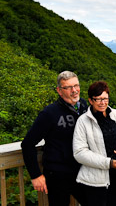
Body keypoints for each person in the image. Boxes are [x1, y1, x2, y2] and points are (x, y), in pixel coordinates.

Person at [21, 71, 88, 205]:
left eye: (76, 85)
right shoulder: (49, 113)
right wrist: (35, 175)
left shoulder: (84, 106)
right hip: (58, 174)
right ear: (59, 90)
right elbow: (27, 144)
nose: (74, 90)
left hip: (82, 171)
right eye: (68, 87)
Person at [72, 81, 116, 206]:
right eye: (98, 99)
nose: (102, 102)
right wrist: (108, 163)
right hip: (94, 181)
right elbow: (79, 152)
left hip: (115, 176)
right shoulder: (83, 121)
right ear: (90, 100)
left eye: (105, 98)